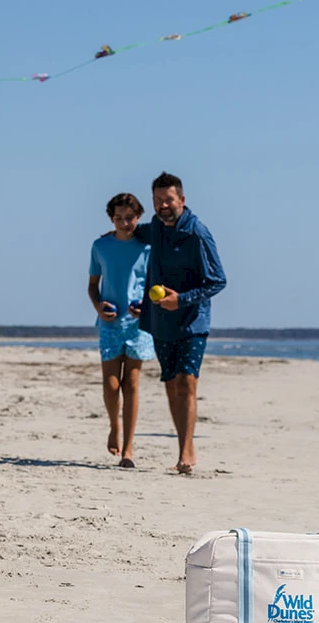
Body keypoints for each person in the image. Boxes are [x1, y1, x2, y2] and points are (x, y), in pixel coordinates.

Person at [128, 172, 226, 474]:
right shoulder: (156, 227)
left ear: (181, 200)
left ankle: (186, 453)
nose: (163, 205)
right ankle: (186, 445)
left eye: (168, 199)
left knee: (187, 382)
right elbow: (135, 233)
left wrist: (180, 299)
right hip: (160, 321)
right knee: (171, 384)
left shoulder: (197, 233)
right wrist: (116, 231)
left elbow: (217, 280)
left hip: (192, 321)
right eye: (157, 200)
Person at [88, 193, 156, 469]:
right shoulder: (100, 246)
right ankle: (113, 425)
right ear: (111, 219)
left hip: (139, 325)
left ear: (139, 217)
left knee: (132, 384)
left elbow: (155, 283)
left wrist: (147, 306)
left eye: (129, 218)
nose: (125, 223)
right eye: (119, 218)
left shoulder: (148, 247)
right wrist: (97, 306)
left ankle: (128, 449)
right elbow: (93, 285)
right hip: (109, 324)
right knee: (111, 384)